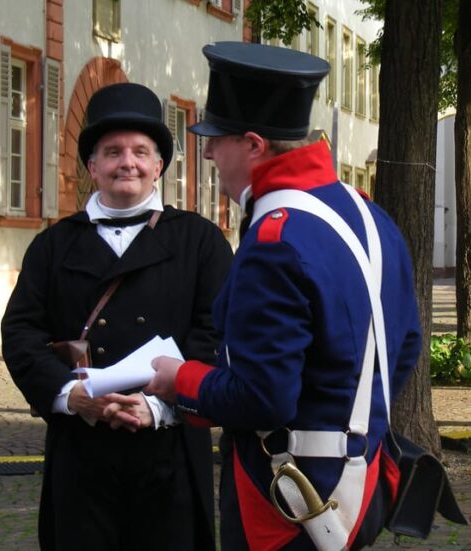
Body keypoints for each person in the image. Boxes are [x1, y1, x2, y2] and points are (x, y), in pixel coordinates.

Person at [145, 42, 422, 550]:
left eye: (217, 139)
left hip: (289, 502)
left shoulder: (276, 239)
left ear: (254, 145)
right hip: (361, 487)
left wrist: (177, 378)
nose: (207, 152)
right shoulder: (371, 217)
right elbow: (402, 348)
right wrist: (354, 419)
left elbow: (261, 397)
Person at [1, 82, 233, 551]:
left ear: (158, 165)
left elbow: (217, 333)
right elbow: (22, 332)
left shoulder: (200, 241)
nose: (127, 161)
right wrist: (72, 394)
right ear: (92, 166)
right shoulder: (53, 244)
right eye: (112, 151)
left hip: (170, 451)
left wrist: (159, 406)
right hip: (81, 450)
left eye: (140, 151)